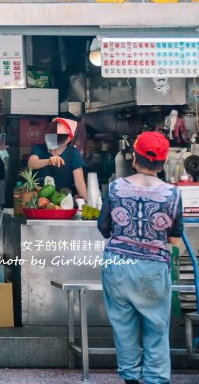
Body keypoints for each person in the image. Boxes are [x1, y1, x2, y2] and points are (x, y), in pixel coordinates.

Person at [98, 131, 182, 384]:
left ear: (134, 157)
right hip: (153, 269)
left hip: (118, 266)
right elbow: (174, 238)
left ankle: (131, 377)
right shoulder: (173, 194)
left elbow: (104, 228)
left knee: (124, 328)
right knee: (156, 328)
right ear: (163, 163)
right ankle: (156, 379)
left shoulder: (115, 188)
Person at [27, 117, 88, 201]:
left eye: (57, 143)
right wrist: (48, 161)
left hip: (63, 201)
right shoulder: (38, 148)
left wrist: (86, 203)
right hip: (38, 201)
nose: (52, 148)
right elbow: (31, 163)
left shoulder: (73, 153)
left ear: (67, 140)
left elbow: (80, 183)